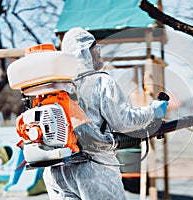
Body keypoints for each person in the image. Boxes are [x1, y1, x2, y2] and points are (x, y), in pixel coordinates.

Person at [43, 27, 168, 200]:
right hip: (94, 168)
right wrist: (152, 111)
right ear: (85, 51)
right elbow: (123, 122)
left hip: (57, 172)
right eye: (96, 49)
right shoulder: (101, 81)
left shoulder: (56, 85)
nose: (99, 54)